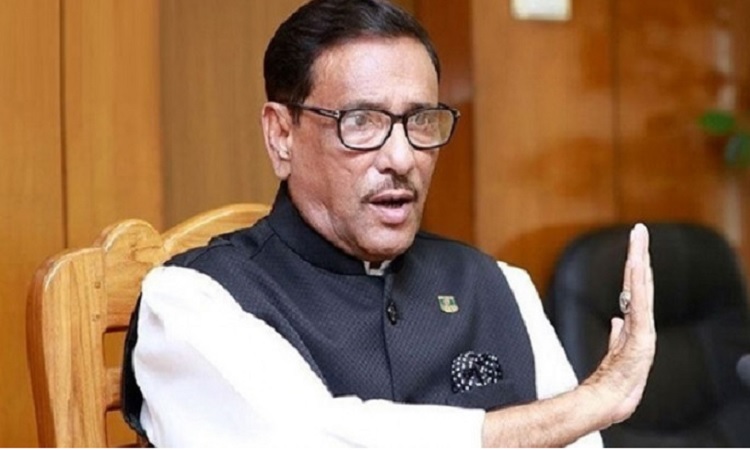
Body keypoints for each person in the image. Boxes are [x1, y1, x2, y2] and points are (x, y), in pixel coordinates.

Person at [121, 0, 655, 446]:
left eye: (420, 121)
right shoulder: (194, 299)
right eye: (361, 121)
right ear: (281, 135)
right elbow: (308, 440)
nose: (401, 158)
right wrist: (585, 405)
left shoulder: (497, 285)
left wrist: (583, 412)